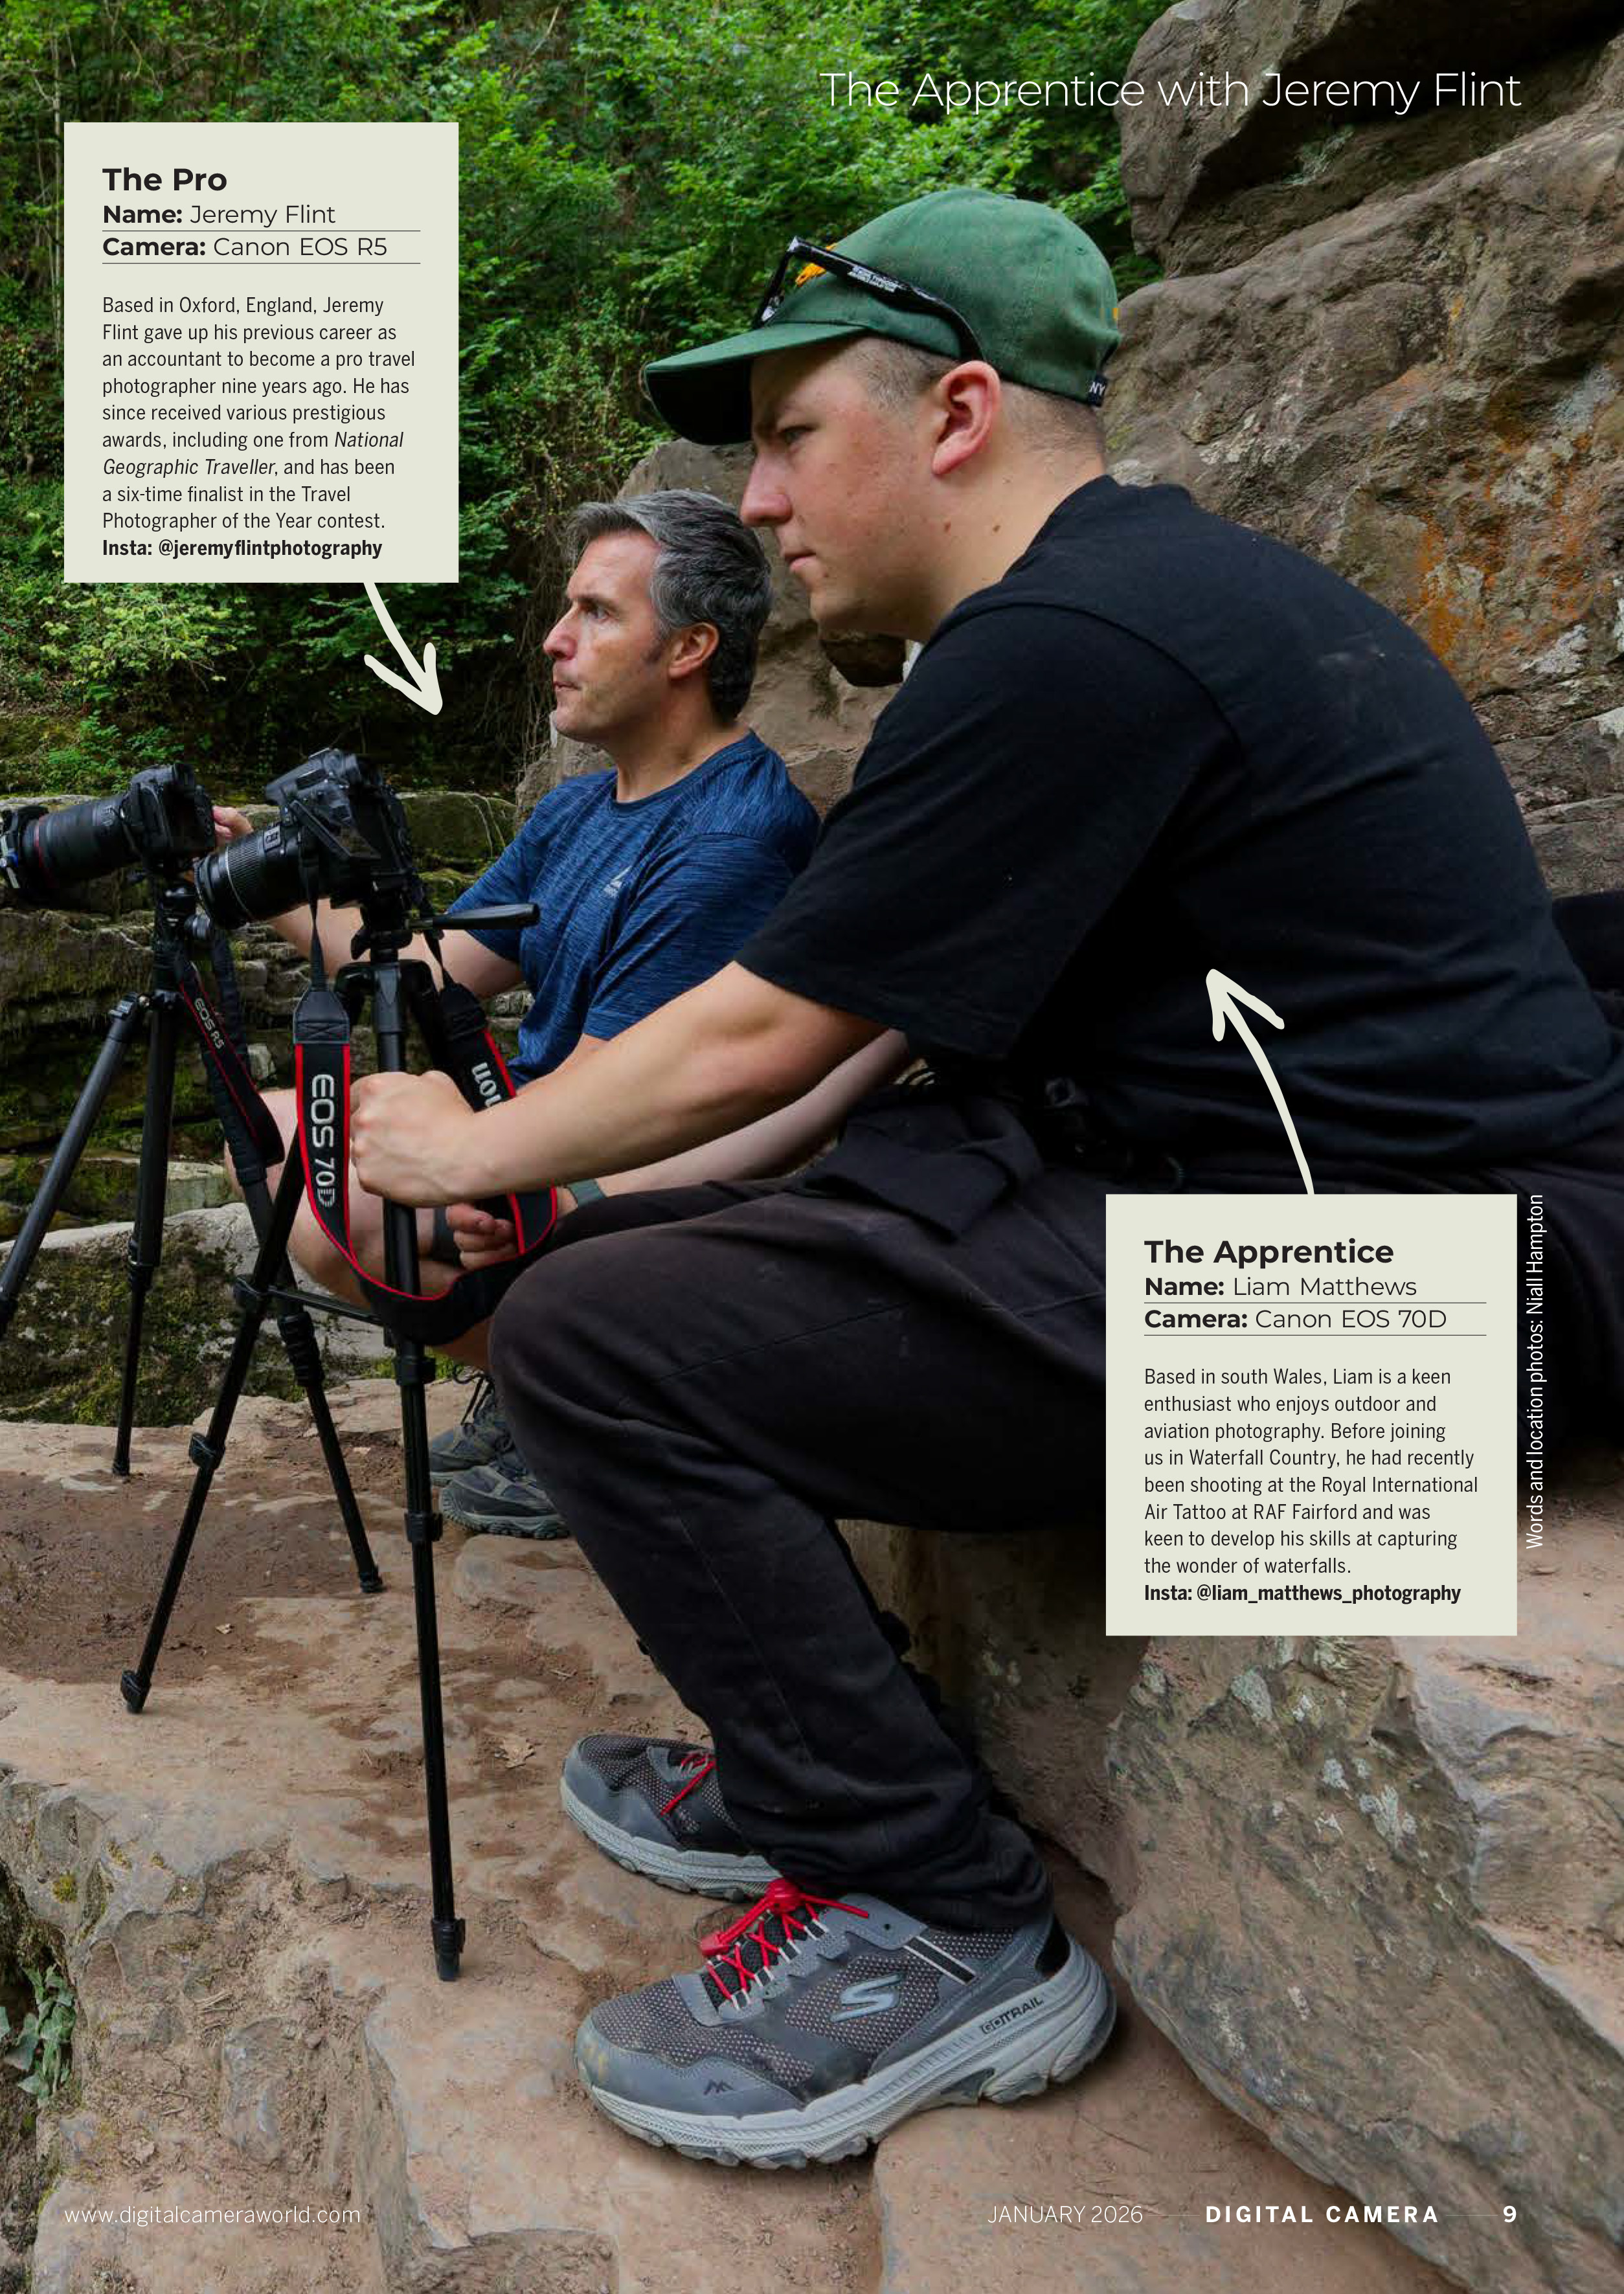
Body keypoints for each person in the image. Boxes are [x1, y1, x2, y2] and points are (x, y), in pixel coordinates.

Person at [343, 186, 1624, 2168]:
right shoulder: (1089, 622)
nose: (755, 503)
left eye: (784, 438)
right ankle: (807, 1758)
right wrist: (560, 1215)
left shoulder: (1075, 642)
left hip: (1452, 1348)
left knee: (604, 1338)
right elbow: (849, 1046)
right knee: (646, 1271)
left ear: (951, 413)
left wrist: (473, 1150)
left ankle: (935, 1905)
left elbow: (760, 1030)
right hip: (1389, 1272)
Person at [232, 489, 839, 1536]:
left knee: (338, 1184)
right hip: (562, 1132)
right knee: (285, 1126)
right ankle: (528, 1380)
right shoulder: (578, 810)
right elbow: (425, 968)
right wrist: (243, 879)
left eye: (596, 613)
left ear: (690, 646)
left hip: (652, 1173)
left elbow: (632, 1106)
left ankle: (589, 1406)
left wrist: (475, 1154)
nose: (556, 641)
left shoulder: (730, 837)